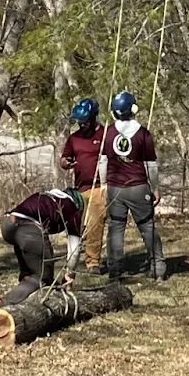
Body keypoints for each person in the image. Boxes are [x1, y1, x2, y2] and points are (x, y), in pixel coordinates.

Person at [100, 89, 167, 283]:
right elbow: (151, 165)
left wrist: (104, 184)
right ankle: (158, 267)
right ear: (133, 109)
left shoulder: (109, 132)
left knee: (115, 228)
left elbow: (103, 161)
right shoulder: (143, 133)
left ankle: (115, 270)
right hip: (138, 187)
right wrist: (155, 187)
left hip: (115, 188)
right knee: (147, 226)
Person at [0, 187, 83, 307]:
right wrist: (70, 274)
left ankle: (23, 305)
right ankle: (3, 305)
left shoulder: (49, 197)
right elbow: (75, 249)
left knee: (29, 274)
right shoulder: (72, 209)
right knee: (42, 277)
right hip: (27, 228)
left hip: (8, 224)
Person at [60, 96, 106, 271]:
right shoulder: (74, 138)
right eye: (79, 122)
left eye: (85, 121)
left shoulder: (104, 135)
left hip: (99, 187)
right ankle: (73, 258)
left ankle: (92, 262)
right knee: (77, 226)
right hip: (80, 188)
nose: (82, 125)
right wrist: (66, 163)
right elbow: (64, 158)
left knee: (95, 224)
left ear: (94, 117)